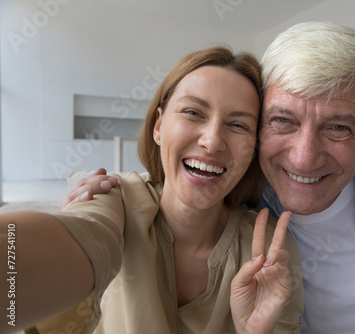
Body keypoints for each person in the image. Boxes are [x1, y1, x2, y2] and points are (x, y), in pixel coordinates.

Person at [62, 22, 355, 333]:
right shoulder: (233, 210)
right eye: (283, 121)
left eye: (338, 127)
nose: (305, 157)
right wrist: (98, 196)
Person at [0, 46, 304, 334]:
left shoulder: (270, 252)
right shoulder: (115, 201)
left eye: (238, 125)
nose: (212, 141)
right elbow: (78, 236)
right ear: (158, 126)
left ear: (253, 148)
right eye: (193, 113)